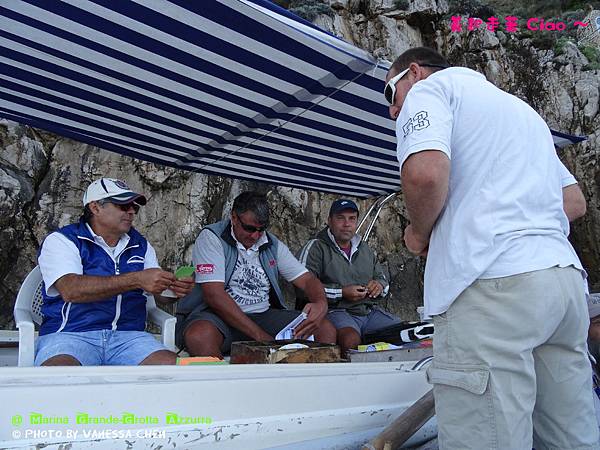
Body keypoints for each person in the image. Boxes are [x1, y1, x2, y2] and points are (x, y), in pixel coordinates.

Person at [385, 46, 599, 449]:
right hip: (563, 284)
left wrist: (420, 234)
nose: (393, 111)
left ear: (413, 73)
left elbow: (426, 175)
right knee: (570, 438)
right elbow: (574, 201)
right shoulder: (521, 113)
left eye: (389, 95)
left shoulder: (431, 92)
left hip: (492, 286)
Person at [36, 177, 194, 366]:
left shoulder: (140, 245)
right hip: (70, 334)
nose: (131, 212)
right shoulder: (63, 240)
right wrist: (136, 279)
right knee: (59, 374)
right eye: (122, 205)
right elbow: (71, 290)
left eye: (134, 207)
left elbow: (160, 296)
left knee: (174, 371)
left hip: (129, 337)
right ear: (95, 208)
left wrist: (174, 290)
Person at [176, 191, 336, 358]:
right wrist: (262, 339)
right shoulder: (212, 237)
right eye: (249, 228)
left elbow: (307, 279)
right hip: (217, 316)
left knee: (325, 329)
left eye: (261, 230)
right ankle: (224, 383)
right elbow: (213, 295)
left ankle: (306, 383)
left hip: (263, 315)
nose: (255, 235)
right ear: (234, 218)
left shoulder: (271, 243)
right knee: (199, 336)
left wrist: (320, 302)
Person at [297, 199, 400, 356]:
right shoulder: (316, 247)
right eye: (341, 218)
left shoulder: (364, 248)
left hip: (368, 312)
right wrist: (341, 292)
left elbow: (383, 281)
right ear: (329, 221)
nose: (347, 224)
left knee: (407, 332)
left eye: (352, 218)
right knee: (350, 340)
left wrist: (378, 286)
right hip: (335, 311)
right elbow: (302, 288)